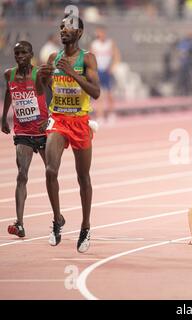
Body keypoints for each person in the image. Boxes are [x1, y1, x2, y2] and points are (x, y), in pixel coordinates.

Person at [39, 15, 100, 253]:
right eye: (61, 26)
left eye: (70, 27)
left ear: (80, 33)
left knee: (83, 177)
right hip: (59, 120)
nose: (64, 30)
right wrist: (43, 79)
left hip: (80, 122)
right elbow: (45, 89)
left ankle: (85, 227)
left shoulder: (88, 59)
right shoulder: (53, 58)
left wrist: (73, 73)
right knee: (50, 170)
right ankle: (57, 220)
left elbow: (96, 92)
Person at [1, 41, 49, 238]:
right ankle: (19, 223)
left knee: (51, 173)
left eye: (23, 52)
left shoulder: (40, 73)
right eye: (16, 53)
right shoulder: (8, 74)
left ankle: (57, 217)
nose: (19, 56)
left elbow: (54, 93)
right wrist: (4, 117)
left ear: (31, 54)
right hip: (22, 132)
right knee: (22, 175)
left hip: (42, 131)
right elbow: (9, 93)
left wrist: (50, 119)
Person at [89, 26, 120, 123]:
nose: (101, 34)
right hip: (98, 71)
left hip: (107, 71)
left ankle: (111, 114)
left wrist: (112, 67)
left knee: (110, 94)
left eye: (102, 32)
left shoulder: (110, 43)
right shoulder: (94, 44)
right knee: (99, 95)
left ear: (104, 33)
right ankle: (100, 116)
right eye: (99, 33)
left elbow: (116, 56)